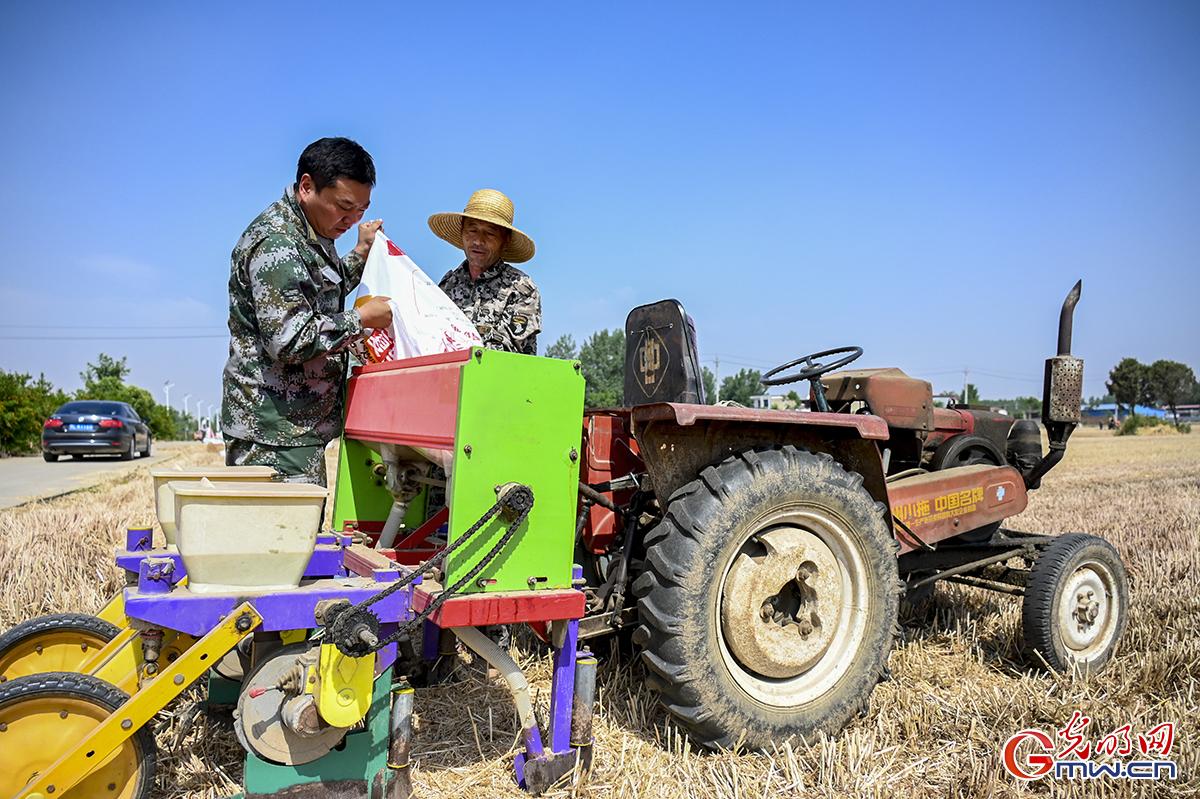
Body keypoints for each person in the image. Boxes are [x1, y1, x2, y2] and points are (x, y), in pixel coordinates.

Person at [221, 137, 391, 486]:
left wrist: (360, 253)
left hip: (293, 427)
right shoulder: (277, 242)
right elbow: (288, 339)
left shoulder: (310, 229)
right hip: (271, 432)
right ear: (307, 186)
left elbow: (320, 293)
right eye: (344, 206)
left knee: (296, 535)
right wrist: (360, 320)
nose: (351, 219)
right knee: (278, 536)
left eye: (361, 209)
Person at [429, 189, 541, 355]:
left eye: (490, 233)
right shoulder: (448, 285)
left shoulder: (520, 289)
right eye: (472, 230)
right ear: (462, 233)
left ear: (506, 239)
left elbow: (505, 351)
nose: (478, 241)